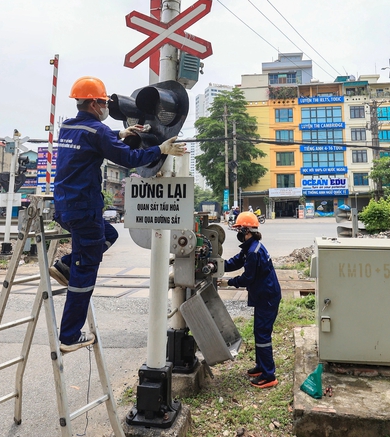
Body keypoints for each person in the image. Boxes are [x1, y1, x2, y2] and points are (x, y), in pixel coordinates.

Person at [49, 76, 186, 353]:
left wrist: (121, 135)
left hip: (63, 206)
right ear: (92, 103)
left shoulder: (68, 126)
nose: (104, 107)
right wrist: (160, 149)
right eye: (101, 102)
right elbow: (128, 159)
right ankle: (69, 336)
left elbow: (94, 139)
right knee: (85, 273)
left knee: (108, 234)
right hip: (85, 208)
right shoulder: (98, 132)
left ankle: (65, 265)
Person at [220, 211, 281, 388]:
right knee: (259, 333)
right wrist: (218, 265)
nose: (238, 234)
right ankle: (262, 367)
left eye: (239, 230)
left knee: (263, 335)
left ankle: (269, 376)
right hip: (264, 295)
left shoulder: (253, 252)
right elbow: (236, 261)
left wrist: (228, 282)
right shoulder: (251, 247)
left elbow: (247, 278)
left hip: (267, 298)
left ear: (247, 231)